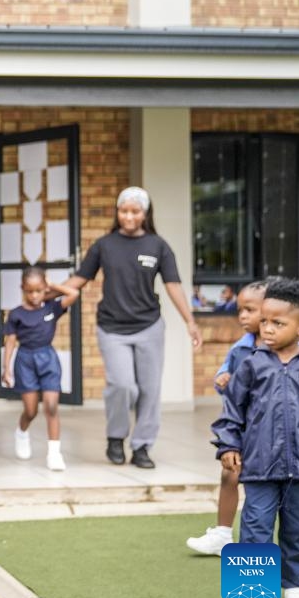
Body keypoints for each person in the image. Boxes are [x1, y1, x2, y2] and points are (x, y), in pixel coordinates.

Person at [59, 186, 202, 469]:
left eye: (134, 211)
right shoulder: (104, 245)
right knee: (122, 385)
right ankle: (115, 437)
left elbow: (173, 285)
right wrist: (47, 296)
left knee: (149, 389)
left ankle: (142, 447)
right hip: (112, 327)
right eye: (123, 210)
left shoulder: (158, 246)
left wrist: (190, 321)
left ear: (145, 213)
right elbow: (79, 279)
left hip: (149, 327)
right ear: (117, 212)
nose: (128, 216)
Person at [211, 277, 299, 598]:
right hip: (260, 466)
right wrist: (228, 445)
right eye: (264, 320)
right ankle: (249, 592)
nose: (268, 328)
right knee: (255, 526)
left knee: (297, 530)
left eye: (278, 322)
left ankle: (295, 587)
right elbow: (232, 411)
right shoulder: (251, 363)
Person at [186, 279, 268, 557]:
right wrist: (224, 381)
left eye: (249, 310)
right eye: (240, 310)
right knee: (230, 475)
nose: (242, 316)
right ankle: (223, 535)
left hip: (277, 434)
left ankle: (290, 581)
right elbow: (227, 389)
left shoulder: (290, 349)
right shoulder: (239, 349)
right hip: (245, 429)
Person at [2, 266, 80, 471]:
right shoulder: (16, 314)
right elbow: (10, 342)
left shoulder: (51, 307)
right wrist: (6, 368)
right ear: (22, 289)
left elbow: (74, 293)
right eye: (30, 291)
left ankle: (54, 453)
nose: (35, 295)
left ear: (44, 288)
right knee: (31, 410)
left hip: (48, 358)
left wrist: (52, 285)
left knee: (51, 407)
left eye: (38, 290)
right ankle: (21, 432)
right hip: (25, 360)